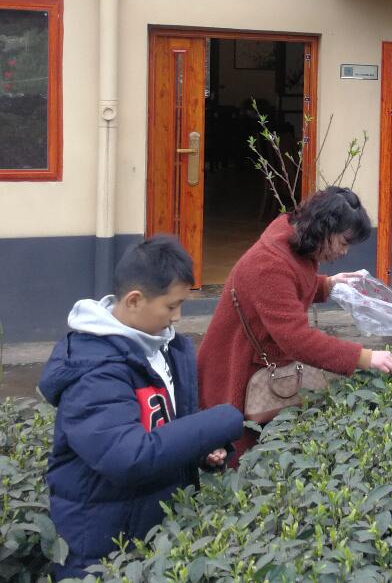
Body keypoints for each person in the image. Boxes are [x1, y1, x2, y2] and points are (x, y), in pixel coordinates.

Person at [38, 237, 244, 579]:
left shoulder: (168, 347)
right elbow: (127, 456)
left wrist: (202, 450)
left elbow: (171, 426)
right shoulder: (94, 370)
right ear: (134, 300)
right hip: (102, 546)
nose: (177, 317)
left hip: (156, 532)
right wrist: (223, 420)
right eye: (171, 306)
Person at [198, 187, 392, 464]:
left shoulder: (291, 236)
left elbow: (287, 287)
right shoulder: (270, 263)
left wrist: (327, 285)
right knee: (238, 458)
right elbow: (296, 338)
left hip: (256, 361)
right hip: (235, 367)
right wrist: (364, 357)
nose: (344, 251)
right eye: (343, 242)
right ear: (323, 229)